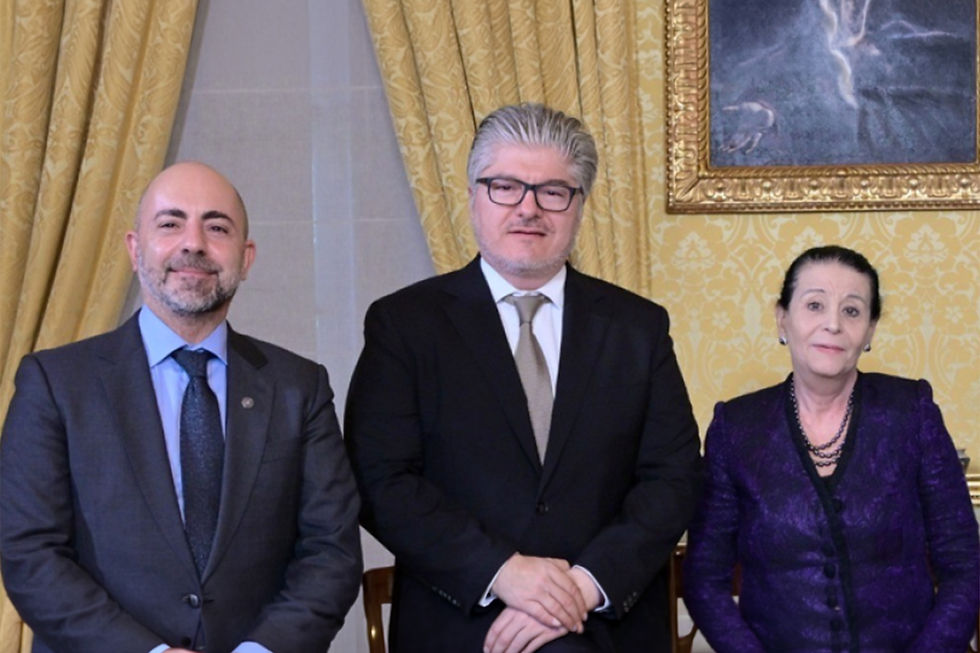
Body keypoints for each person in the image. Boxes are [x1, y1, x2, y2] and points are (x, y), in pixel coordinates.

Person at [344, 103, 702, 652]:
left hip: (604, 627)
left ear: (579, 207)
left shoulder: (637, 327)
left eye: (553, 191)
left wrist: (581, 588)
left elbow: (673, 479)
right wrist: (502, 572)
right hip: (463, 625)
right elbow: (380, 479)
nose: (529, 209)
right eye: (505, 186)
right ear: (472, 197)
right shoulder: (404, 325)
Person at [0, 162, 363, 652]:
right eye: (170, 223)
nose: (193, 243)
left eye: (217, 227)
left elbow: (331, 553)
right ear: (134, 248)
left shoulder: (300, 388)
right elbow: (29, 552)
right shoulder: (55, 383)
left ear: (246, 256)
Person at [683, 245, 980, 652]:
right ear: (782, 317)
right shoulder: (736, 429)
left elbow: (964, 563)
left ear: (871, 329)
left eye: (853, 311)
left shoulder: (912, 413)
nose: (833, 325)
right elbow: (704, 577)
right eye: (815, 305)